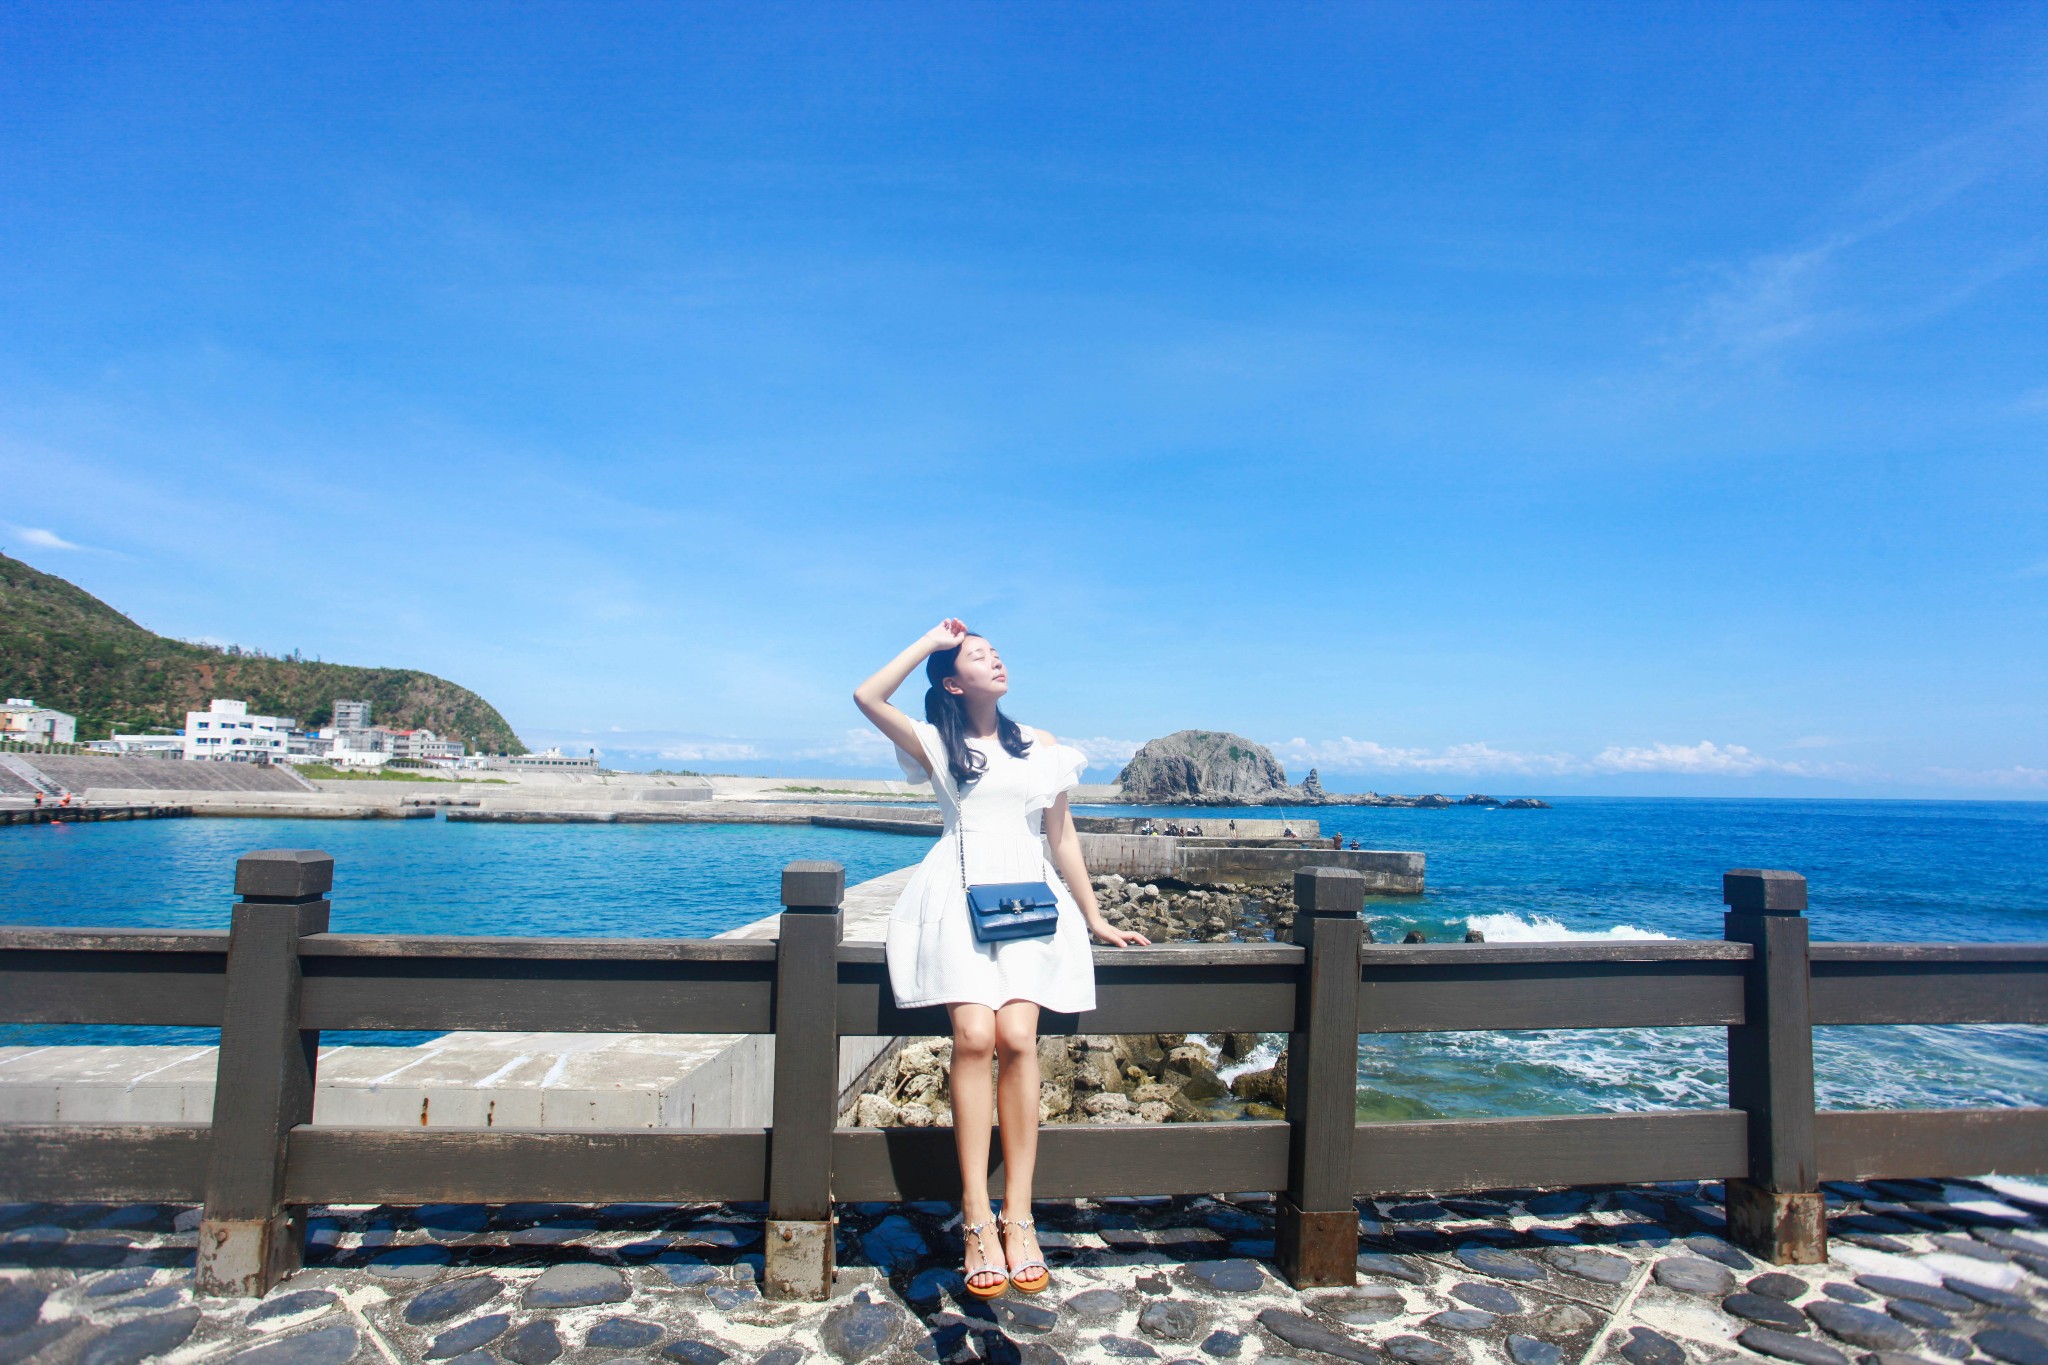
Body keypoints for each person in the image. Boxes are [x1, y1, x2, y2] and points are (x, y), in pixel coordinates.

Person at [855, 619, 1150, 1300]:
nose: (995, 660)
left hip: (1029, 900)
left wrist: (1096, 916)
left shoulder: (1039, 743)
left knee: (1018, 1037)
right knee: (973, 1036)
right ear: (953, 683)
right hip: (957, 897)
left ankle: (1019, 1215)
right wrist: (931, 643)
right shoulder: (938, 742)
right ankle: (976, 1218)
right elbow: (867, 696)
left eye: (996, 653)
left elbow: (1062, 835)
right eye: (978, 656)